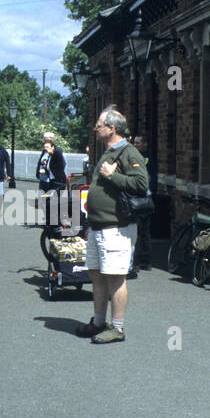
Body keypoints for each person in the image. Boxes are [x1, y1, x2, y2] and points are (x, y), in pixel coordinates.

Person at [76, 107, 148, 344]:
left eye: (99, 124)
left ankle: (117, 328)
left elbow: (141, 184)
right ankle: (98, 322)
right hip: (98, 226)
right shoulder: (108, 152)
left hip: (116, 228)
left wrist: (111, 176)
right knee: (96, 275)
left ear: (112, 128)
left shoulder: (129, 153)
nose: (95, 128)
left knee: (115, 277)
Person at [130, 135, 156, 271]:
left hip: (142, 199)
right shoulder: (134, 157)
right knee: (138, 232)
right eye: (134, 143)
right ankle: (138, 261)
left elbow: (152, 178)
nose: (135, 145)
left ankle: (144, 261)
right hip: (139, 198)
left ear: (145, 144)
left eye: (138, 143)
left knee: (143, 233)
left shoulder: (146, 159)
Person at [36, 135, 67, 227]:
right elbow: (50, 167)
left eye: (48, 147)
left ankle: (57, 222)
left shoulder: (57, 153)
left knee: (53, 201)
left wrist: (48, 171)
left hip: (59, 182)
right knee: (51, 201)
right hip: (53, 181)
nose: (46, 149)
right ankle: (52, 221)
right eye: (45, 147)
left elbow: (60, 165)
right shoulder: (49, 154)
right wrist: (44, 169)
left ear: (53, 146)